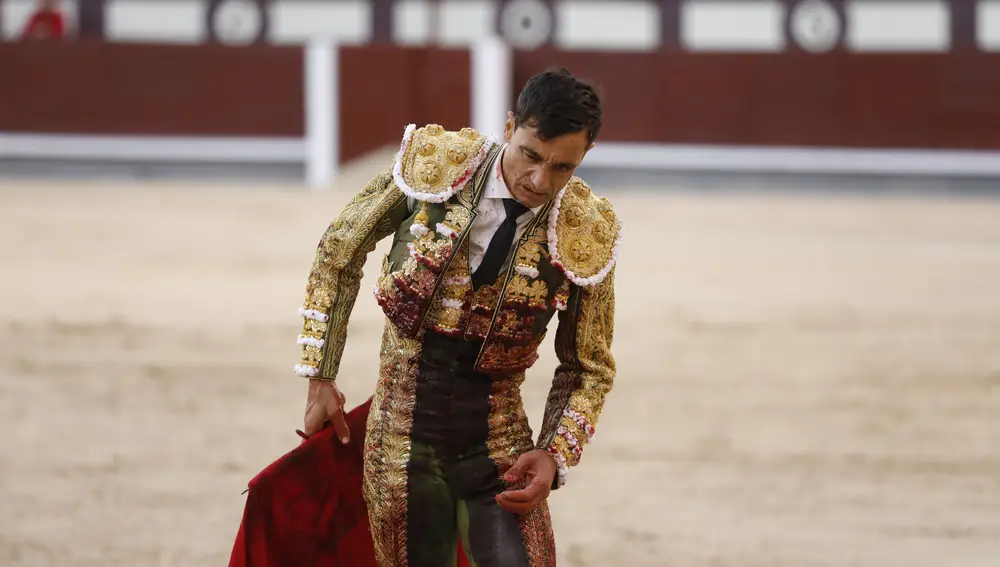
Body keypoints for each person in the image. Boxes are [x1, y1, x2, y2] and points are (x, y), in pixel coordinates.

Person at [230, 68, 622, 567]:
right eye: (530, 155)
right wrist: (319, 373)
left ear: (584, 156)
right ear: (508, 128)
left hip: (499, 444)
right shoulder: (433, 168)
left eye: (562, 168)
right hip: (401, 436)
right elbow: (339, 252)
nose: (539, 180)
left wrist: (552, 453)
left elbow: (588, 367)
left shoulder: (586, 232)